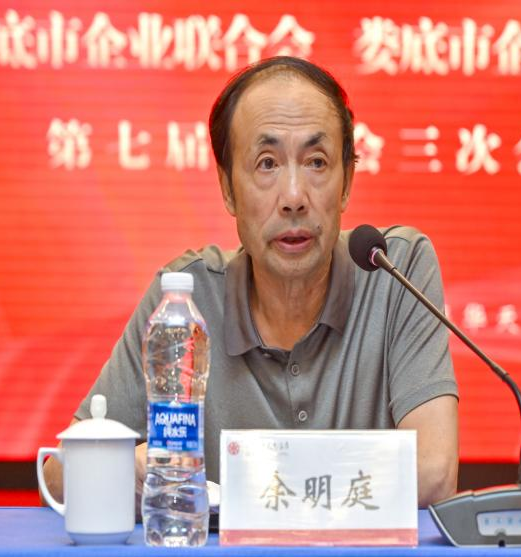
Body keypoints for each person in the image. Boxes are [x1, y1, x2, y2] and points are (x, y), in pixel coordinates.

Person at [42, 56, 458, 510]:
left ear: (346, 182)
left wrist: (245, 484)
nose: (294, 197)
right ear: (227, 189)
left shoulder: (395, 271)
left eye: (317, 162)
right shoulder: (185, 302)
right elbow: (60, 476)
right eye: (266, 163)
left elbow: (434, 473)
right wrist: (129, 468)